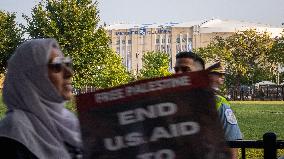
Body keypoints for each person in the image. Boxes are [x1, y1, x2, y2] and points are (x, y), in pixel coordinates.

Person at [0, 39, 82, 159]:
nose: (69, 73)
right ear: (32, 76)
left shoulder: (70, 121)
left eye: (67, 63)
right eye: (57, 65)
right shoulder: (13, 132)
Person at [174, 51, 242, 159]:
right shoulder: (168, 106)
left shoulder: (219, 104)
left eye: (185, 69)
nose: (178, 74)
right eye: (176, 70)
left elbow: (232, 148)